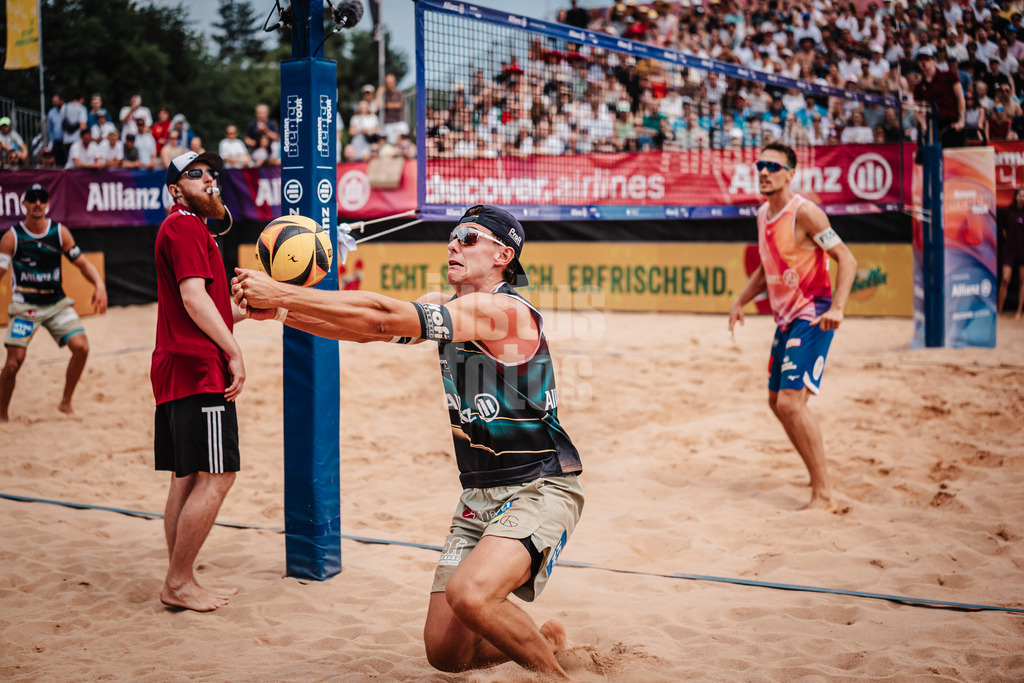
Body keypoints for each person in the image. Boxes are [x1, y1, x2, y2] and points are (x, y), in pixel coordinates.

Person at [232, 204, 583, 679]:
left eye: (469, 237)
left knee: (470, 595)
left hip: (538, 485)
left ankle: (556, 678)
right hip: (479, 495)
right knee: (445, 653)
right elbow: (368, 330)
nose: (454, 243)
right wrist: (281, 311)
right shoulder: (447, 303)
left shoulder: (504, 310)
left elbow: (380, 315)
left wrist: (282, 291)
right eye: (453, 235)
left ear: (504, 255)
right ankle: (544, 643)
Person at [728, 143, 858, 512]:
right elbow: (766, 267)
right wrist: (741, 301)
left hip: (814, 314)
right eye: (760, 165)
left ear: (790, 173)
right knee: (776, 402)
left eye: (773, 165)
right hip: (785, 320)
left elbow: (847, 261)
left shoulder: (806, 213)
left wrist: (838, 307)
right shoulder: (761, 214)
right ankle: (816, 476)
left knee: (791, 402)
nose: (764, 171)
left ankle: (824, 494)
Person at [152, 150, 244, 612]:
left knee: (186, 477)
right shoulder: (185, 225)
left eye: (212, 172)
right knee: (219, 475)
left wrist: (248, 311)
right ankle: (179, 580)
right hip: (199, 370)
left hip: (176, 367)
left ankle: (177, 576)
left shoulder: (185, 227)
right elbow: (193, 298)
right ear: (175, 188)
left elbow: (210, 309)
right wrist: (233, 351)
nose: (210, 179)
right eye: (196, 174)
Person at [0, 183, 108, 421]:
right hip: (26, 307)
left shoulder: (59, 232)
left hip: (56, 303)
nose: (37, 203)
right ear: (24, 204)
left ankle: (65, 402)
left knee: (82, 347)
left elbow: (82, 264)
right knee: (13, 364)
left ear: (48, 204)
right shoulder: (12, 237)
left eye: (42, 198)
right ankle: (2, 415)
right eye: (32, 198)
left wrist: (99, 285)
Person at [914, 45, 967, 146]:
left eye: (926, 59)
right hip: (932, 127)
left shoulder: (948, 76)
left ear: (934, 60)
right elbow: (917, 108)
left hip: (952, 125)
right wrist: (923, 123)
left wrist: (961, 119)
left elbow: (960, 97)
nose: (923, 62)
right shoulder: (919, 85)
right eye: (920, 60)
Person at [999, 186, 1024, 318]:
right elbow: (1003, 229)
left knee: (1022, 281)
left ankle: (1019, 312)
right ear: (1015, 197)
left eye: (1023, 196)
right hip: (1009, 250)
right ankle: (999, 311)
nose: (1021, 198)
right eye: (1020, 195)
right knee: (1005, 279)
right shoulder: (1009, 211)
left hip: (1023, 252)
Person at [379, 73, 410, 144]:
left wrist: (385, 105)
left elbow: (399, 105)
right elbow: (379, 105)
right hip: (388, 124)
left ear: (394, 82)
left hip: (399, 122)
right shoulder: (384, 94)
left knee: (404, 141)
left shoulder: (400, 93)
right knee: (391, 144)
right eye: (387, 82)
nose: (388, 84)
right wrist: (379, 93)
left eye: (390, 82)